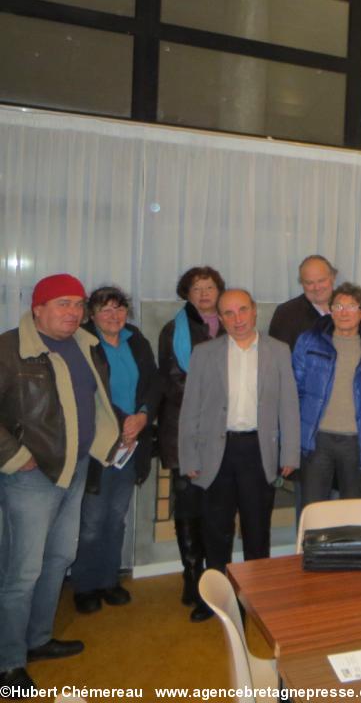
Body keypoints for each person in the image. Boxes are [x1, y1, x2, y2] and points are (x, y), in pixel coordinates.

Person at [0, 275, 121, 694]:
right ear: (38, 309)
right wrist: (17, 457)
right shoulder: (9, 348)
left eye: (77, 304)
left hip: (76, 468)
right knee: (22, 571)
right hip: (32, 477)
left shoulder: (86, 344)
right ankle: (8, 663)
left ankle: (37, 640)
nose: (72, 312)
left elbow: (94, 401)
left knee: (59, 559)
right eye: (62, 304)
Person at [178, 289, 300, 578]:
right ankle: (218, 595)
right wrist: (189, 458)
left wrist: (290, 452)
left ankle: (255, 599)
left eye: (243, 310)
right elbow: (190, 407)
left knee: (257, 531)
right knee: (216, 531)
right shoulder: (204, 353)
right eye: (229, 313)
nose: (238, 318)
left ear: (254, 310)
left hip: (259, 452)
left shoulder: (279, 350)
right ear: (220, 318)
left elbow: (289, 405)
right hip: (215, 454)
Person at [70, 286, 162, 615]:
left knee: (117, 516)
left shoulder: (135, 339)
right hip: (98, 444)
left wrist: (142, 415)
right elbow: (89, 391)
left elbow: (154, 381)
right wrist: (126, 421)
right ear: (91, 315)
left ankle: (109, 580)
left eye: (120, 308)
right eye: (105, 310)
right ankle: (85, 585)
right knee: (92, 520)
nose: (114, 315)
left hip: (132, 443)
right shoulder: (83, 342)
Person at [156, 265, 225, 621]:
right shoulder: (174, 331)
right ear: (186, 292)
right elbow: (171, 379)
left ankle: (216, 575)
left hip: (224, 433)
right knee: (189, 505)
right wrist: (211, 404)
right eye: (196, 287)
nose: (203, 293)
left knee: (217, 505)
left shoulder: (232, 322)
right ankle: (192, 575)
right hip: (182, 429)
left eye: (209, 286)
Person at [291, 283, 361, 505]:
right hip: (316, 440)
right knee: (313, 509)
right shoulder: (309, 341)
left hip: (358, 441)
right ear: (330, 310)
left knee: (351, 508)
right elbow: (294, 391)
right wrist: (295, 437)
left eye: (351, 306)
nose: (343, 312)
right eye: (338, 306)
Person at [268, 254, 336, 350]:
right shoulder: (285, 313)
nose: (316, 288)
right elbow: (277, 357)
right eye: (309, 283)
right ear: (302, 283)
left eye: (321, 280)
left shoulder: (352, 307)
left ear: (332, 278)